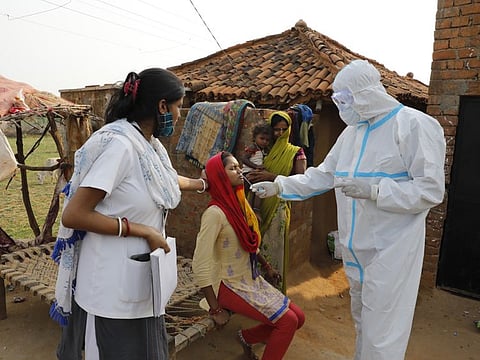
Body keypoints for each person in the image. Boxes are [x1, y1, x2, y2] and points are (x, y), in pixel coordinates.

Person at [251, 60, 446, 360]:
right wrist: (279, 186)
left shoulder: (413, 126)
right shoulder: (352, 134)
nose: (341, 107)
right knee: (363, 324)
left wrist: (375, 190)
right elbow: (324, 175)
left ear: (365, 94)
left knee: (383, 334)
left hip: (390, 250)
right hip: (355, 251)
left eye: (345, 100)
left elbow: (430, 190)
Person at [49, 68, 208, 360]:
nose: (179, 116)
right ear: (162, 106)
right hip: (110, 287)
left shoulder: (149, 146)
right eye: (178, 107)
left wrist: (203, 183)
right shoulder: (121, 146)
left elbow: (167, 180)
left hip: (139, 282)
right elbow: (75, 215)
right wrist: (142, 230)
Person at [192, 151, 305, 360]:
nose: (239, 171)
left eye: (238, 167)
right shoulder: (215, 213)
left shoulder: (239, 205)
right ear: (219, 175)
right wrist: (215, 310)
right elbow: (200, 262)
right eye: (232, 168)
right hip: (227, 284)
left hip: (248, 278)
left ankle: (246, 336)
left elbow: (248, 243)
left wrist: (267, 266)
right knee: (287, 322)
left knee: (299, 317)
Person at [246, 111, 306, 292]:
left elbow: (300, 181)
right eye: (276, 129)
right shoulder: (263, 148)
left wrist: (271, 176)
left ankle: (273, 293)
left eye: (283, 129)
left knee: (274, 248)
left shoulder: (295, 152)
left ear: (289, 130)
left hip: (278, 206)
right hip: (257, 203)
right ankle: (254, 293)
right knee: (253, 245)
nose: (279, 133)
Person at [241, 122, 272, 210]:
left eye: (267, 140)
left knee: (258, 189)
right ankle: (243, 207)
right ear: (254, 137)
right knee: (246, 191)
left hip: (256, 173)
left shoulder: (264, 150)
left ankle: (255, 209)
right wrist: (255, 166)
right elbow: (244, 159)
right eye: (262, 138)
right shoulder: (253, 147)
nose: (264, 141)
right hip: (248, 173)